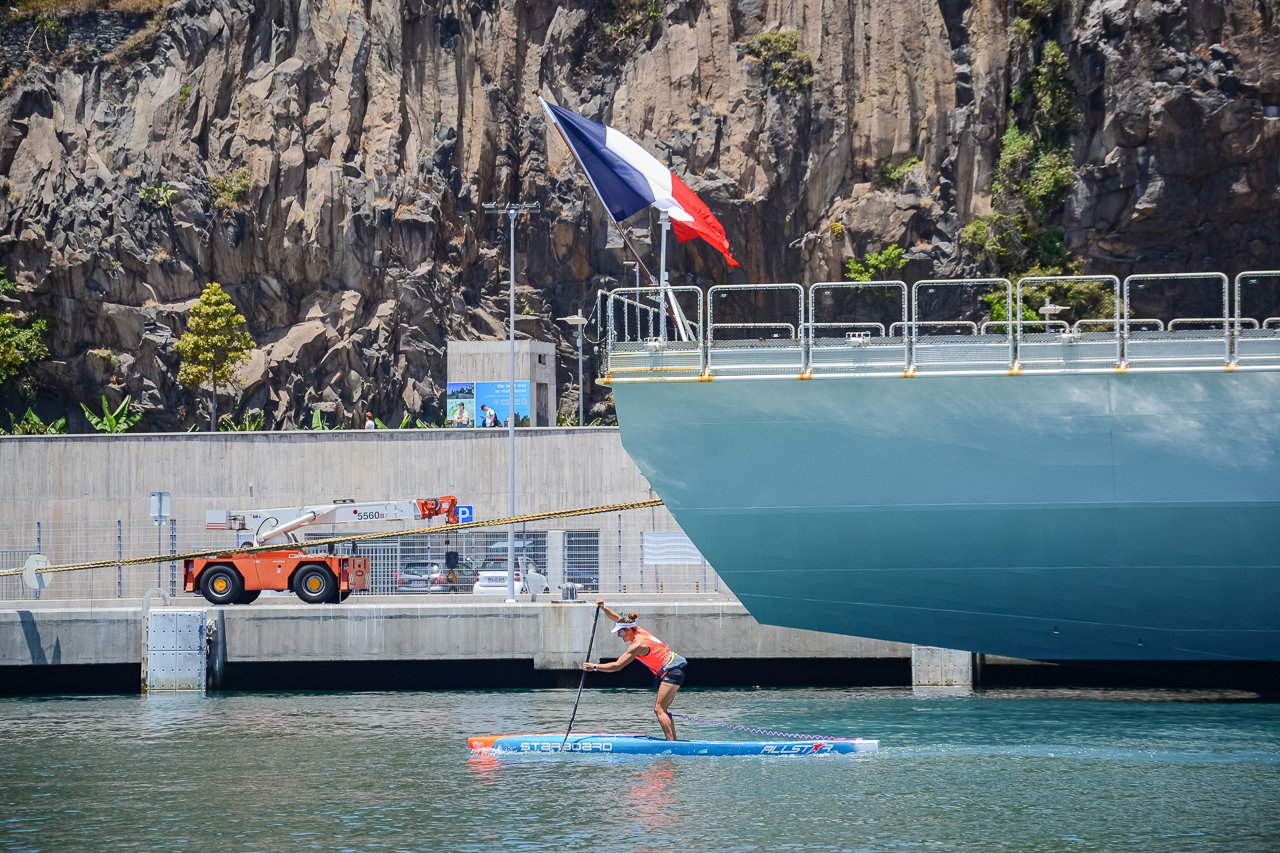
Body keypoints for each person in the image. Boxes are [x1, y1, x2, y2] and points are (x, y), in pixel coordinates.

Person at [582, 600, 688, 740]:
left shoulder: (637, 645)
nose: (620, 636)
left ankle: (671, 744)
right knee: (663, 709)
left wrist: (594, 667)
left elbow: (617, 666)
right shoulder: (637, 629)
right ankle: (674, 742)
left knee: (659, 709)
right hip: (675, 670)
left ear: (629, 630)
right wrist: (603, 607)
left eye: (620, 633)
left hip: (671, 672)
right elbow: (616, 617)